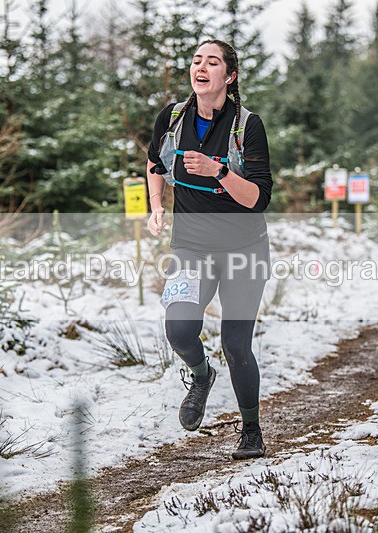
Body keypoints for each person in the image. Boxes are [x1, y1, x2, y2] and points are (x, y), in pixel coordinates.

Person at [145, 39, 273, 460]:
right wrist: (157, 207)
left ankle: (251, 431)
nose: (201, 66)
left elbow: (258, 197)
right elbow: (154, 164)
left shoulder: (247, 125)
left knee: (236, 344)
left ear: (229, 76)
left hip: (243, 248)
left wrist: (218, 170)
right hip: (191, 247)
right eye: (197, 60)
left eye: (212, 61)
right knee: (178, 328)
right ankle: (201, 377)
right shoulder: (174, 117)